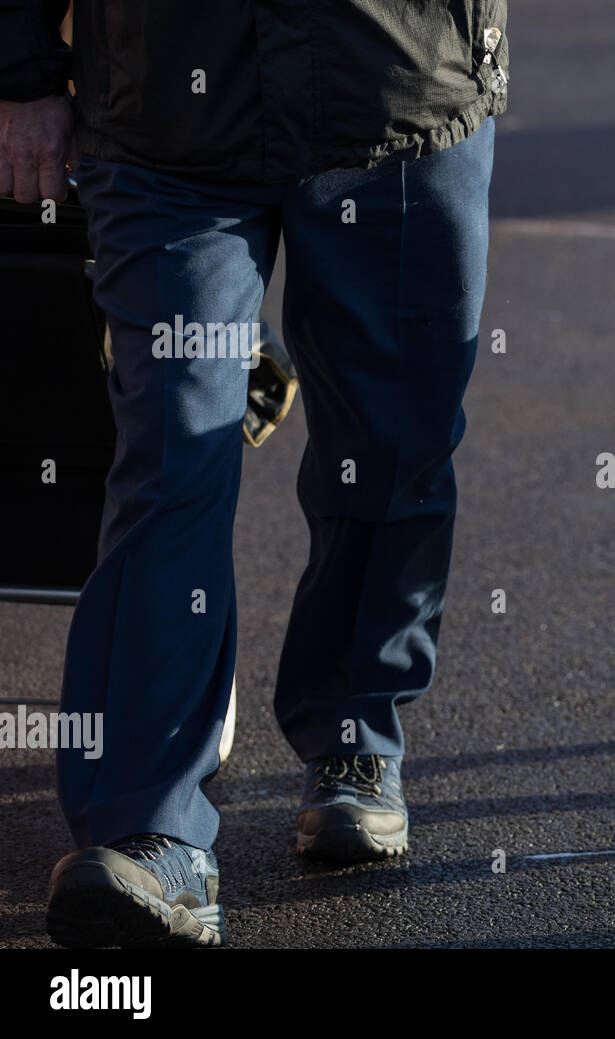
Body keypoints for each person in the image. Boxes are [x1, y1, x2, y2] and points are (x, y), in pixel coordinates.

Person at [0, 0, 508, 948]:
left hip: (397, 85)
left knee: (394, 447)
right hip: (163, 114)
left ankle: (356, 728)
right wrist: (20, 64)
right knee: (172, 454)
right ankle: (149, 828)